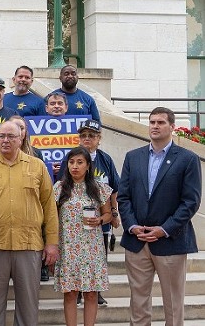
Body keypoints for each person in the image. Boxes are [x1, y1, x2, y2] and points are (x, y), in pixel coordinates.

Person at [118, 107, 202, 326]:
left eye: (160, 123)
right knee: (138, 304)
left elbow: (190, 202)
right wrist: (132, 226)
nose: (154, 126)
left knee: (173, 305)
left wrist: (164, 229)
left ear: (172, 127)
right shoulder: (132, 157)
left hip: (170, 242)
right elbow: (123, 197)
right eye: (152, 122)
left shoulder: (187, 159)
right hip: (137, 242)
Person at [0, 121, 58, 326]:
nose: (5, 140)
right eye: (1, 136)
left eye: (11, 136)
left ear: (21, 139)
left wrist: (52, 243)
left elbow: (49, 207)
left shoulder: (37, 167)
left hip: (28, 245)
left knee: (28, 308)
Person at [57, 119, 121, 306]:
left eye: (91, 135)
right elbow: (62, 187)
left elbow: (114, 188)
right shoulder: (70, 158)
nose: (87, 139)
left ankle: (96, 291)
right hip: (72, 226)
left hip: (98, 221)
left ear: (98, 138)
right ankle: (75, 292)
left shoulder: (105, 159)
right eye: (83, 135)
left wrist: (114, 213)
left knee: (98, 258)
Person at [53, 146, 113, 326]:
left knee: (91, 292)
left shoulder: (99, 188)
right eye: (71, 162)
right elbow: (52, 218)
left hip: (92, 247)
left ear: (88, 166)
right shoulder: (59, 188)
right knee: (70, 292)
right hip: (68, 247)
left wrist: (100, 220)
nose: (75, 166)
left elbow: (108, 214)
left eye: (80, 162)